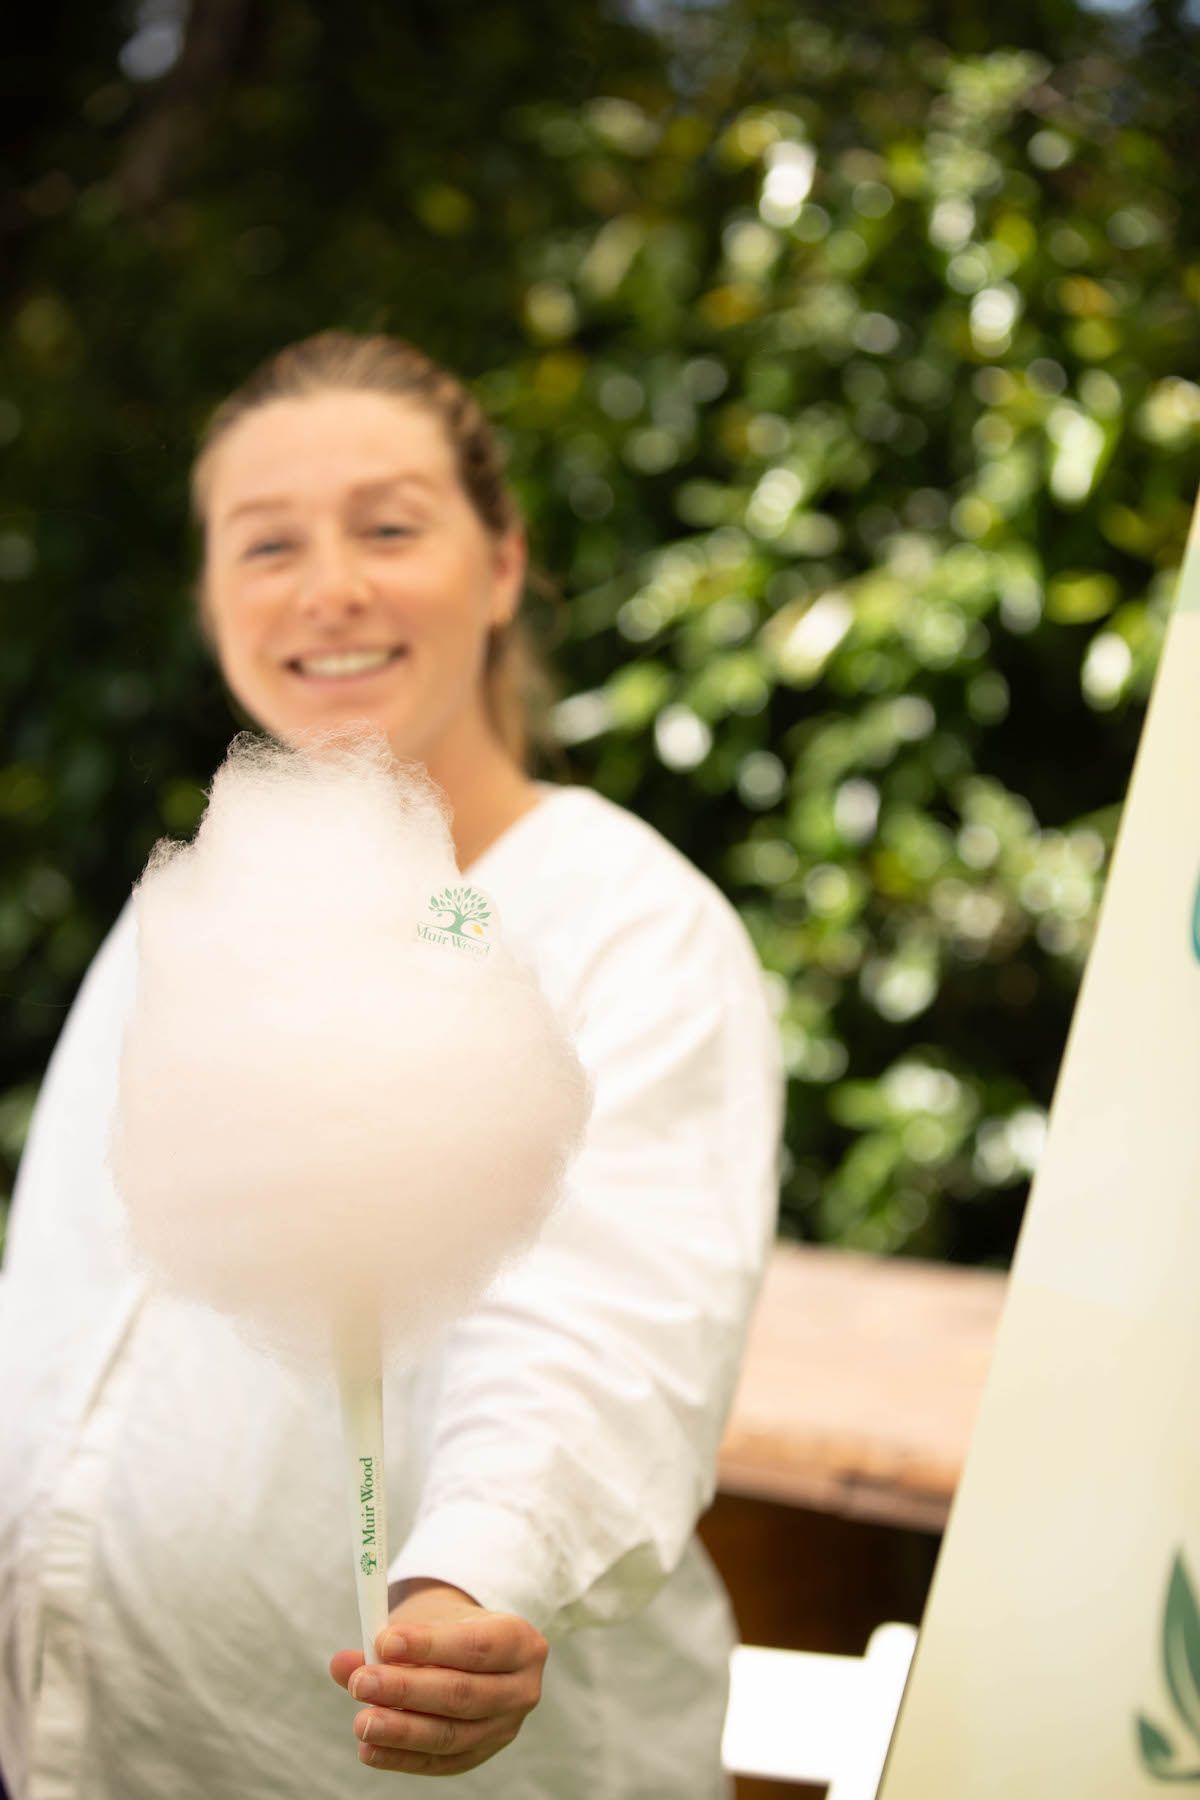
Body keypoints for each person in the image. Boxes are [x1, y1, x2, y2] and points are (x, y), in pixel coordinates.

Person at [0, 332, 782, 1798]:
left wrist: (479, 1573)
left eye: (389, 527)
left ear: (500, 565)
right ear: (213, 598)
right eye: (267, 543)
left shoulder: (630, 923)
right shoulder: (185, 913)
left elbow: (604, 1328)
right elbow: (55, 1315)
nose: (330, 587)